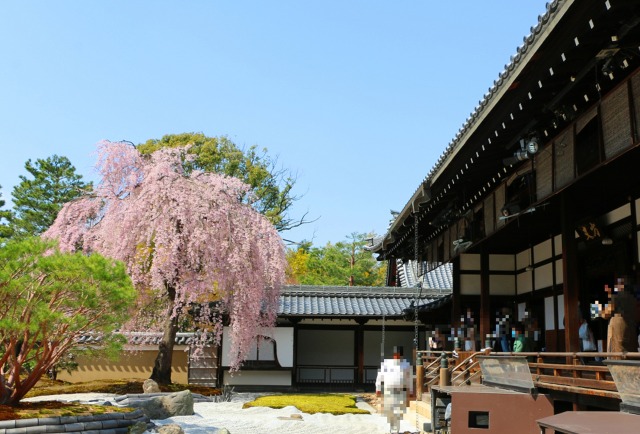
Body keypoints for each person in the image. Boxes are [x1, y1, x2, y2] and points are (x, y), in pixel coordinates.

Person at [375, 345, 413, 434]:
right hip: (389, 390)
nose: (397, 356)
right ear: (394, 355)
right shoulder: (386, 363)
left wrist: (410, 390)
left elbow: (409, 378)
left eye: (399, 355)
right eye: (396, 354)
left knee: (398, 411)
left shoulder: (406, 364)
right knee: (390, 411)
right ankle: (392, 428)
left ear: (402, 355)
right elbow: (380, 376)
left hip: (401, 390)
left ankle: (396, 430)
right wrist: (378, 387)